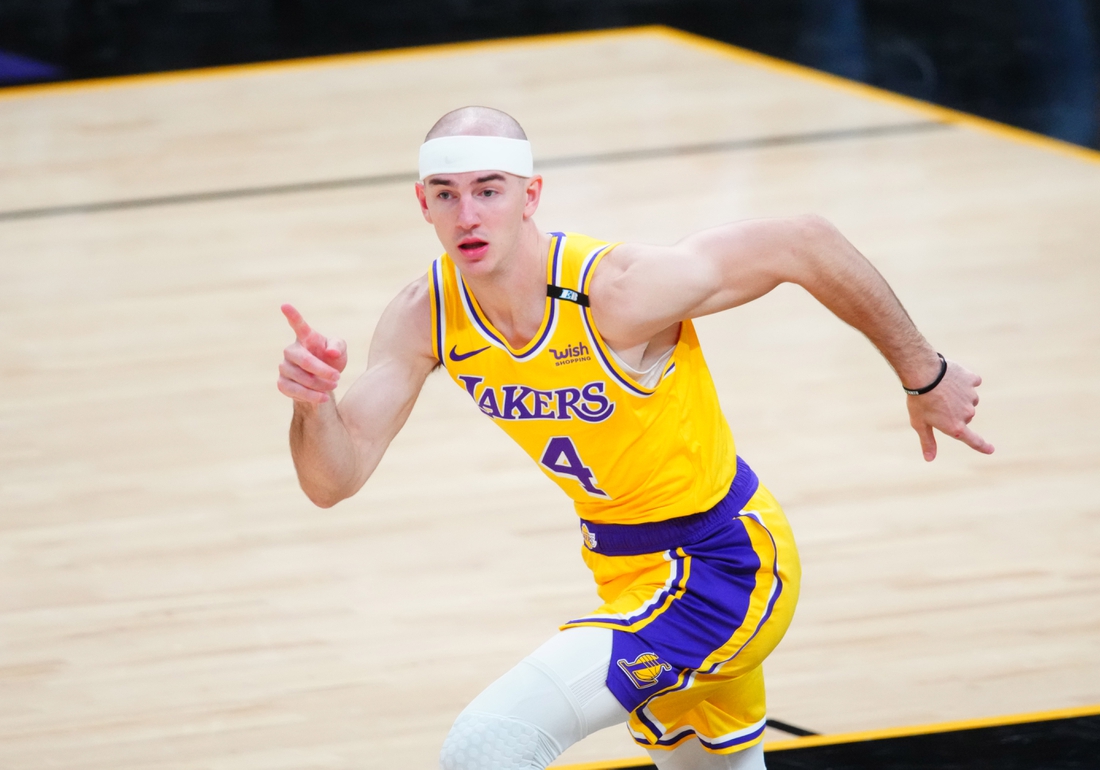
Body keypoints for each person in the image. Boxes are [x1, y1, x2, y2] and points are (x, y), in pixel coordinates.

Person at [277, 106, 992, 770]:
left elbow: (804, 241)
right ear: (422, 203)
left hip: (722, 566)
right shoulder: (423, 314)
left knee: (488, 746)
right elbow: (332, 480)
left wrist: (924, 376)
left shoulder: (614, 293)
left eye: (489, 190)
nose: (468, 214)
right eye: (446, 193)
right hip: (624, 573)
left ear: (530, 196)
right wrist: (314, 405)